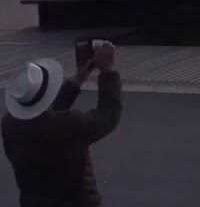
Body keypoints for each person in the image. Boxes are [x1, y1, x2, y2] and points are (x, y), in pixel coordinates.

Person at [2, 42, 122, 207]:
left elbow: (42, 114)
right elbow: (108, 115)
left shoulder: (9, 126)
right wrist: (107, 71)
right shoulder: (71, 125)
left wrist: (78, 79)